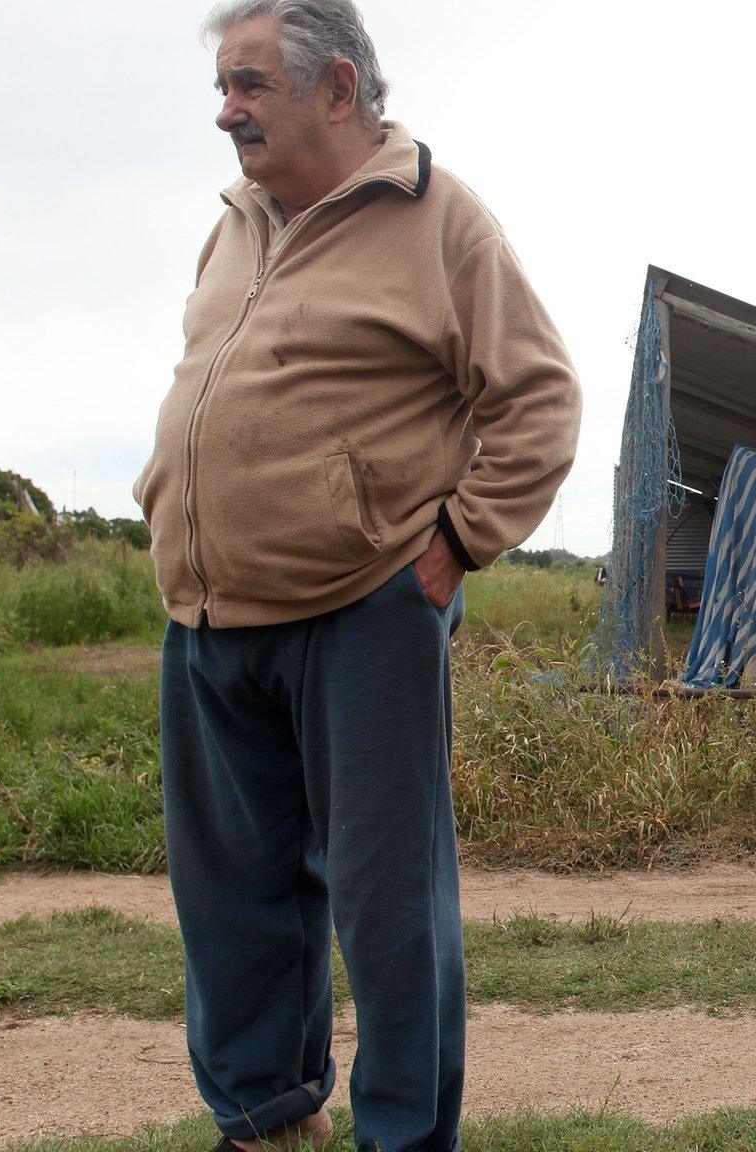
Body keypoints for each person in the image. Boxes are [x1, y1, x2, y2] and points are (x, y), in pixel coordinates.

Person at [132, 2, 580, 1148]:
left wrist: (460, 541)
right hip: (209, 617)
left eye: (247, 86)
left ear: (336, 88)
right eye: (223, 87)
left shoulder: (438, 218)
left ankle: (401, 1135)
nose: (225, 111)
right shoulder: (234, 223)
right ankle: (267, 1116)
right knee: (232, 904)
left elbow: (535, 400)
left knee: (389, 914)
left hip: (363, 613)